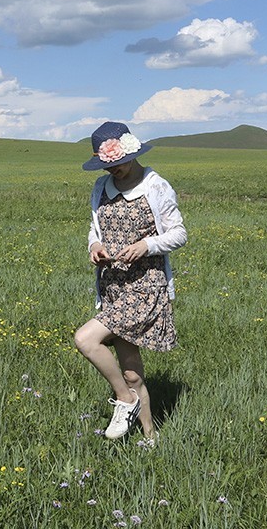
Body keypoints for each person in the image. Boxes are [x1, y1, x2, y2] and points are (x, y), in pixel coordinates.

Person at [73, 121, 187, 441]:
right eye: (107, 165)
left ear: (132, 154)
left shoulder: (155, 186)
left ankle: (125, 400)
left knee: (85, 339)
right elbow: (95, 229)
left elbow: (179, 234)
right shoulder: (101, 186)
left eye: (118, 163)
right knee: (132, 373)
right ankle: (151, 438)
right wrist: (95, 246)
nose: (113, 170)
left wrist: (146, 245)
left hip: (145, 286)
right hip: (113, 286)